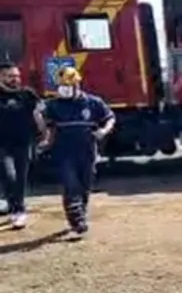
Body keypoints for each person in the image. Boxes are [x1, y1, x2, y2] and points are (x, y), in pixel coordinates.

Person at [43, 66, 114, 240]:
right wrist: (46, 141)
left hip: (87, 150)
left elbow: (109, 118)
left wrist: (103, 131)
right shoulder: (53, 105)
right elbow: (48, 127)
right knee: (70, 184)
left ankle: (80, 212)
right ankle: (77, 221)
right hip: (63, 151)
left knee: (85, 185)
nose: (64, 89)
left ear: (77, 84)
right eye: (61, 85)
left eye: (68, 85)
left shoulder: (93, 103)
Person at [0, 62, 46, 230]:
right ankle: (14, 207)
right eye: (11, 76)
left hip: (24, 142)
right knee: (9, 176)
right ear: (1, 77)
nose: (15, 79)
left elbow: (38, 114)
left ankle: (18, 210)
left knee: (20, 178)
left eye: (17, 76)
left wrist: (45, 135)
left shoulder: (27, 94)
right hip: (2, 145)